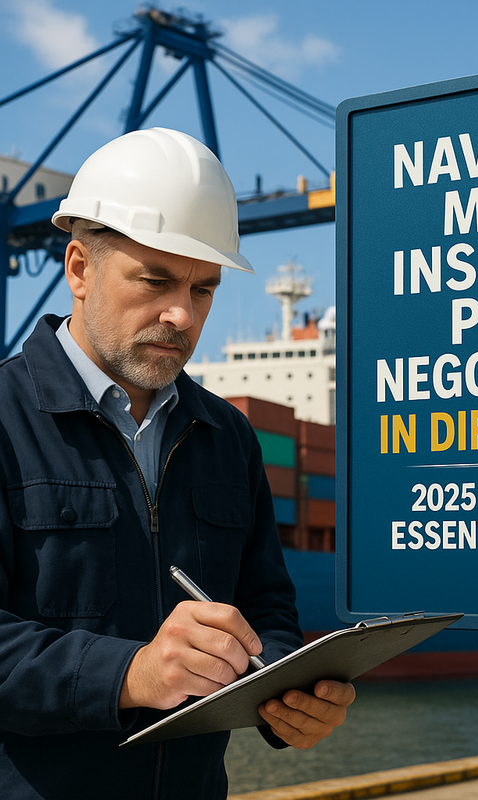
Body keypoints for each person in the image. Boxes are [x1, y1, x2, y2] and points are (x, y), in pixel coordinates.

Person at [0, 127, 355, 799]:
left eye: (204, 290)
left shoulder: (229, 435)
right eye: (156, 281)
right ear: (79, 268)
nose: (182, 316)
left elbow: (268, 610)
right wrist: (130, 674)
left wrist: (286, 695)